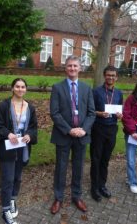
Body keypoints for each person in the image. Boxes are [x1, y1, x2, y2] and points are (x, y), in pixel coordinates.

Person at [50, 55, 95, 214]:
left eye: (75, 66)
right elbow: (54, 113)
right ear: (65, 68)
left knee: (78, 167)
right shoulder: (57, 88)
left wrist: (83, 129)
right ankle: (58, 198)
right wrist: (69, 129)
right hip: (64, 134)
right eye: (69, 66)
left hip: (81, 135)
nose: (72, 68)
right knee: (61, 167)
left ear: (80, 68)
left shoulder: (86, 88)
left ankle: (77, 196)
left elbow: (91, 113)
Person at [0, 78, 38, 224]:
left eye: (23, 87)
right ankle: (5, 211)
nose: (20, 89)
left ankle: (12, 200)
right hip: (8, 148)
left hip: (22, 147)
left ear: (26, 89)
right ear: (12, 88)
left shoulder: (30, 107)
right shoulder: (4, 106)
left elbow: (33, 126)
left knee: (17, 178)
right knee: (8, 179)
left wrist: (29, 135)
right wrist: (8, 133)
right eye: (17, 86)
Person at [90, 65, 123, 202]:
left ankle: (102, 184)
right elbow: (90, 110)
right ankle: (94, 187)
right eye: (108, 75)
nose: (110, 77)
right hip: (98, 128)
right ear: (105, 76)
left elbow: (121, 111)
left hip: (112, 129)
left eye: (113, 75)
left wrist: (120, 115)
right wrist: (99, 113)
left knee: (105, 159)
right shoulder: (96, 92)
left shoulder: (119, 93)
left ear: (116, 77)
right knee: (96, 158)